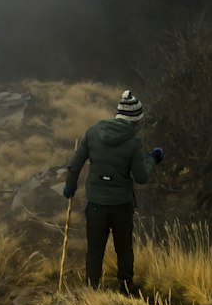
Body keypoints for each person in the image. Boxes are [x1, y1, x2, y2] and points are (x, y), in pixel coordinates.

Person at [63, 90, 163, 293]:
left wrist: (70, 187)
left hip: (96, 205)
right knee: (124, 249)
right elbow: (141, 177)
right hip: (120, 205)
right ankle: (126, 288)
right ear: (134, 121)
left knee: (95, 250)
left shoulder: (92, 133)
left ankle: (92, 290)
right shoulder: (134, 143)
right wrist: (153, 158)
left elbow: (75, 165)